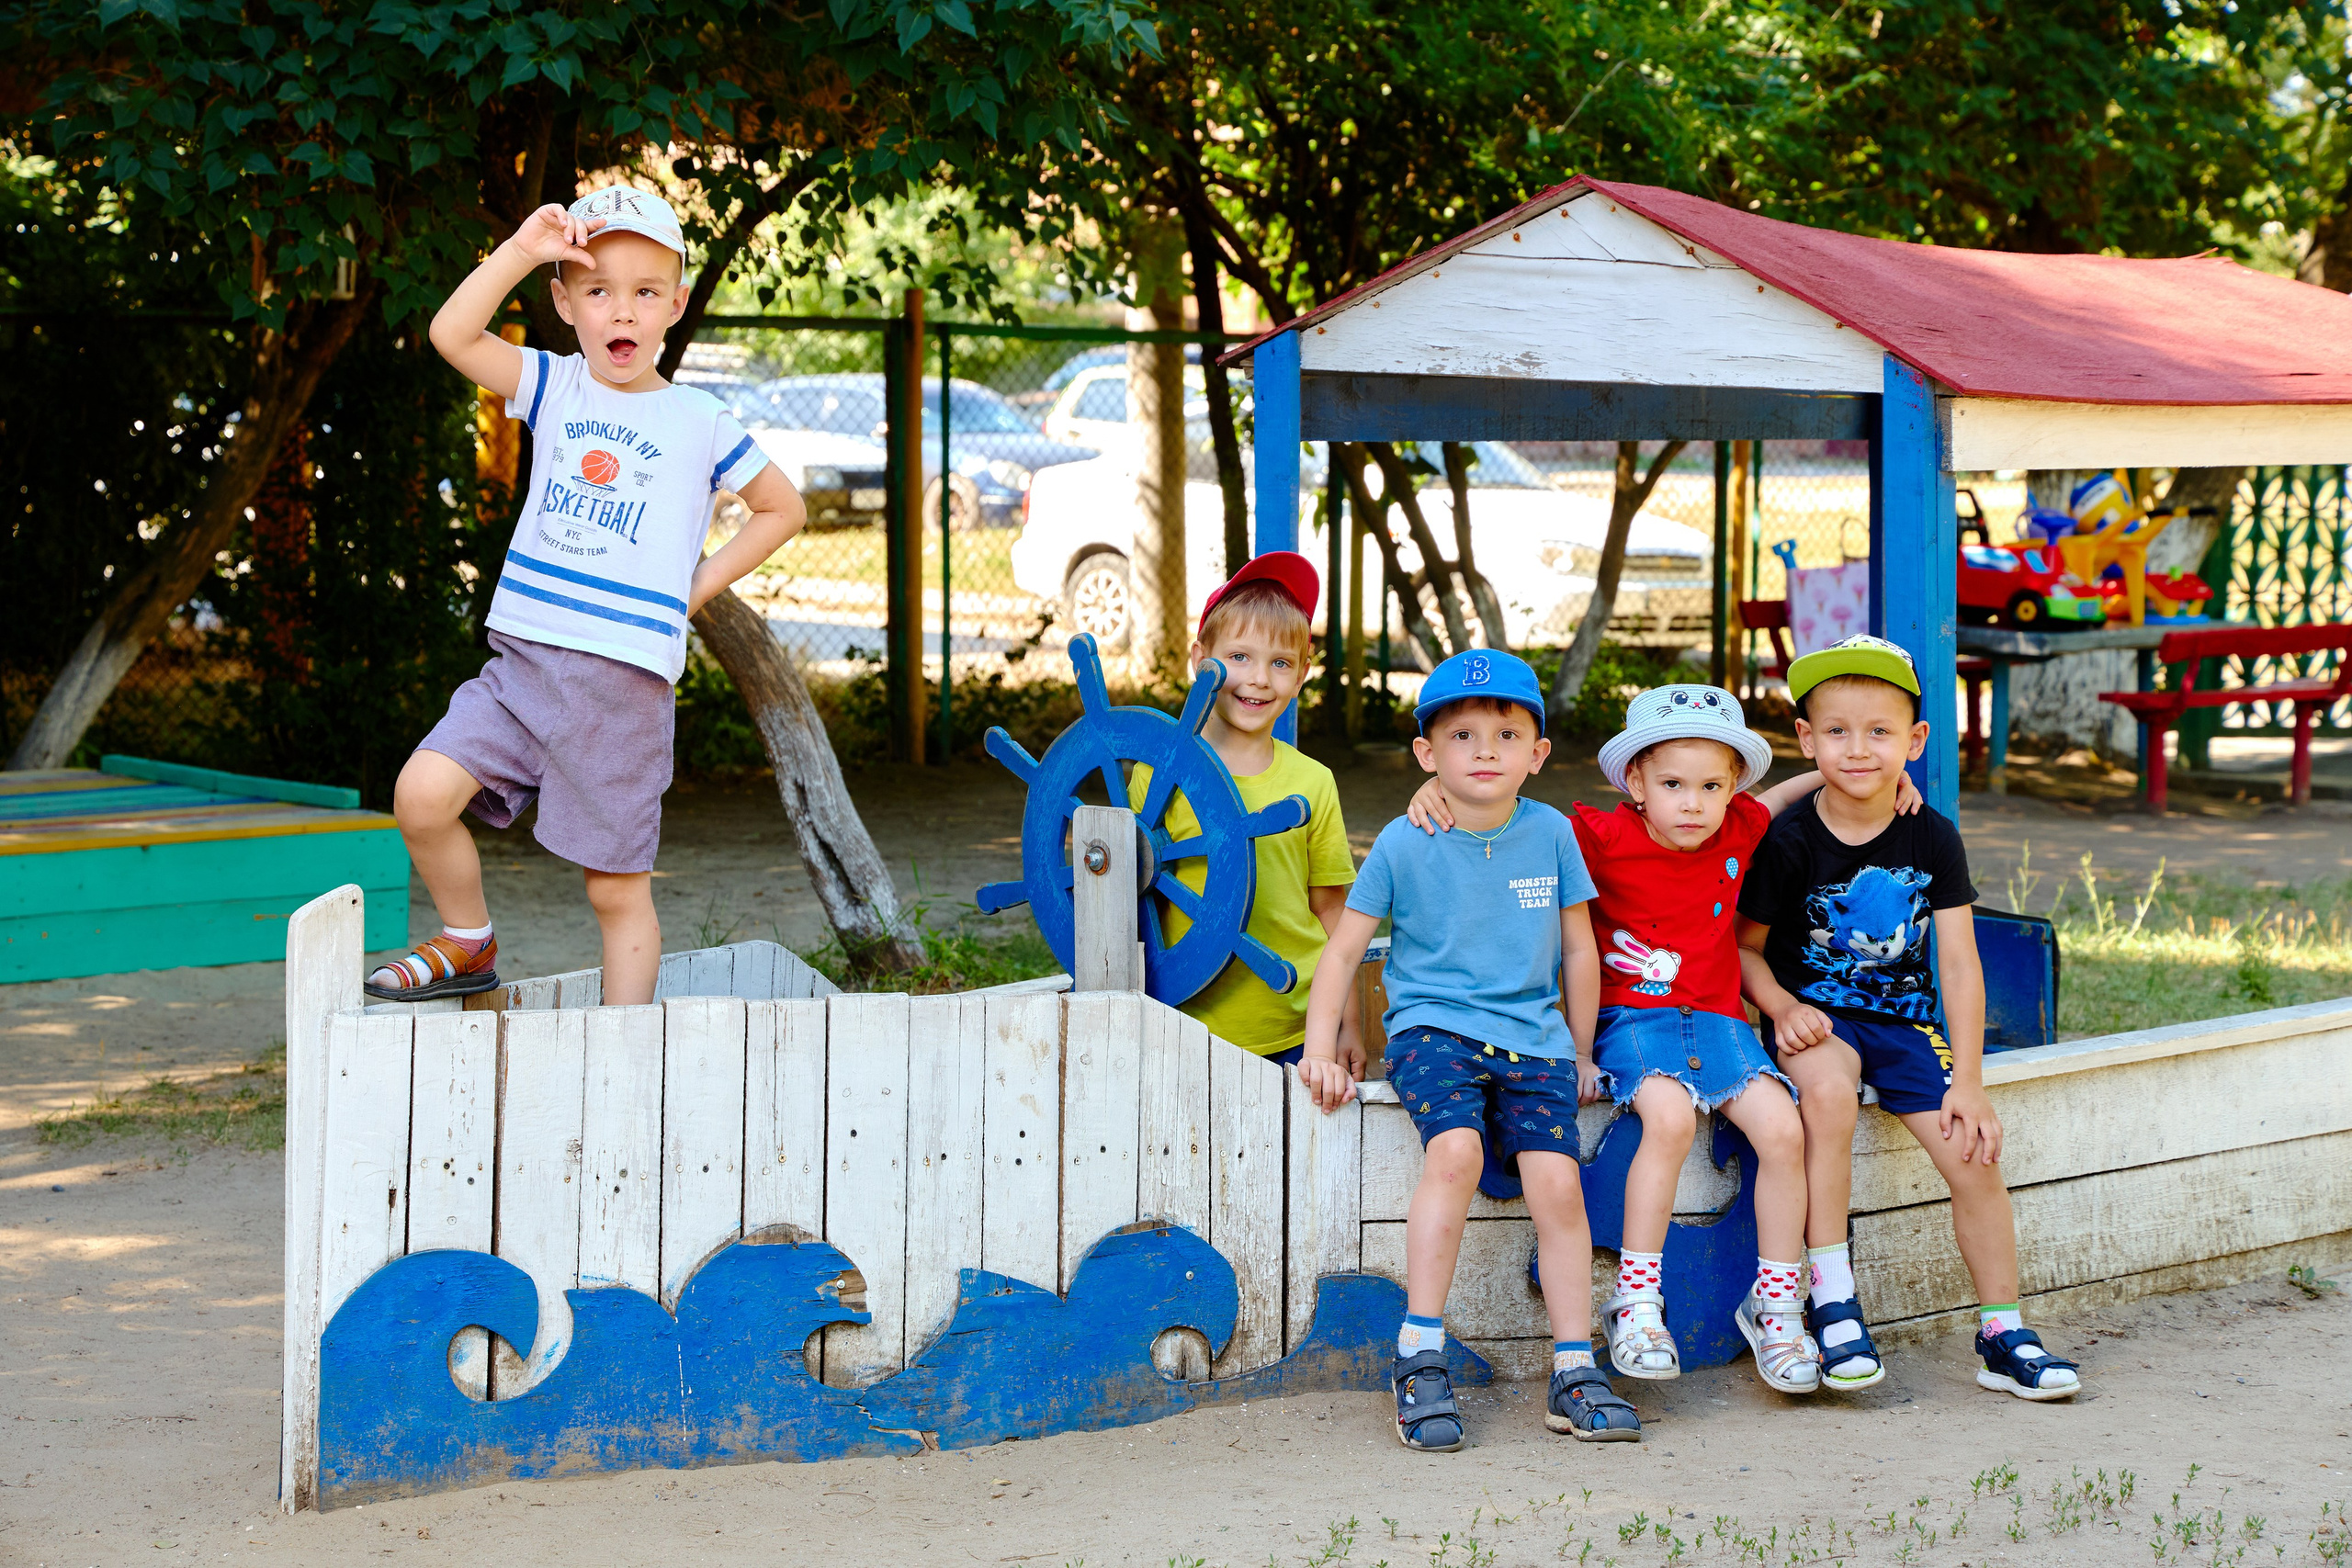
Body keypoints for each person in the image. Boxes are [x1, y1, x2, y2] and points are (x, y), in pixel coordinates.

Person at [1408, 685, 1916, 1398]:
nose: (1693, 804)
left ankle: (1776, 1302)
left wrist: (1872, 780)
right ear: (1637, 784)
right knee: (1670, 1118)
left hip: (1720, 1021)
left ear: (1732, 789)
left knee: (1784, 1129)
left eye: (1711, 787)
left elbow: (1778, 799)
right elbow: (1510, 812)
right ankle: (1637, 1299)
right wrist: (1440, 789)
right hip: (1633, 1020)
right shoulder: (1600, 837)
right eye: (1673, 785)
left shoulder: (1738, 826)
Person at [366, 188, 807, 1005]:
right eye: (598, 290)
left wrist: (690, 591)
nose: (622, 310)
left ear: (677, 304)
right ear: (566, 303)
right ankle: (468, 940)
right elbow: (451, 334)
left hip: (623, 693)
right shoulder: (556, 385)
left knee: (614, 891)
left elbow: (784, 508)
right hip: (522, 672)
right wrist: (522, 249)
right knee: (420, 796)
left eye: (645, 291)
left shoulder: (702, 418)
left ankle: (619, 1054)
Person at [1297, 650, 1641, 1449]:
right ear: (1427, 753)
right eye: (1462, 735)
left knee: (1558, 1182)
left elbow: (1579, 949)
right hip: (1434, 1032)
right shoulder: (1403, 840)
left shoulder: (1551, 834)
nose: (1485, 750)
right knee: (1454, 1151)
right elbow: (1344, 949)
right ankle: (1419, 1350)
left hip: (1535, 1040)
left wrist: (1580, 1052)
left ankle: (1573, 1365)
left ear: (1537, 752)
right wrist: (1321, 1046)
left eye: (1507, 734)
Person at [1736, 634, 2081, 1401]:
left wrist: (1971, 1080)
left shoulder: (1932, 835)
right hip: (1817, 1020)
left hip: (1905, 1023)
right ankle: (1831, 1297)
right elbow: (1744, 949)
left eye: (1880, 732)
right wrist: (1782, 1006)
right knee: (1828, 1094)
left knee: (1974, 1153)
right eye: (1837, 731)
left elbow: (1959, 963)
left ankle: (2002, 1332)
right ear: (1806, 739)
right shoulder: (1788, 840)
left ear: (1916, 740)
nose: (1858, 749)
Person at [1128, 552, 1359, 1068]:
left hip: (1299, 1028)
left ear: (1302, 674)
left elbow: (1331, 911)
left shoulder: (1314, 782)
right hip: (1184, 1023)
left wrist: (1347, 1024)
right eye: (1239, 657)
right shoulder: (1158, 777)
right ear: (1200, 660)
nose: (1258, 679)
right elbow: (1129, 902)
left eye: (1280, 663)